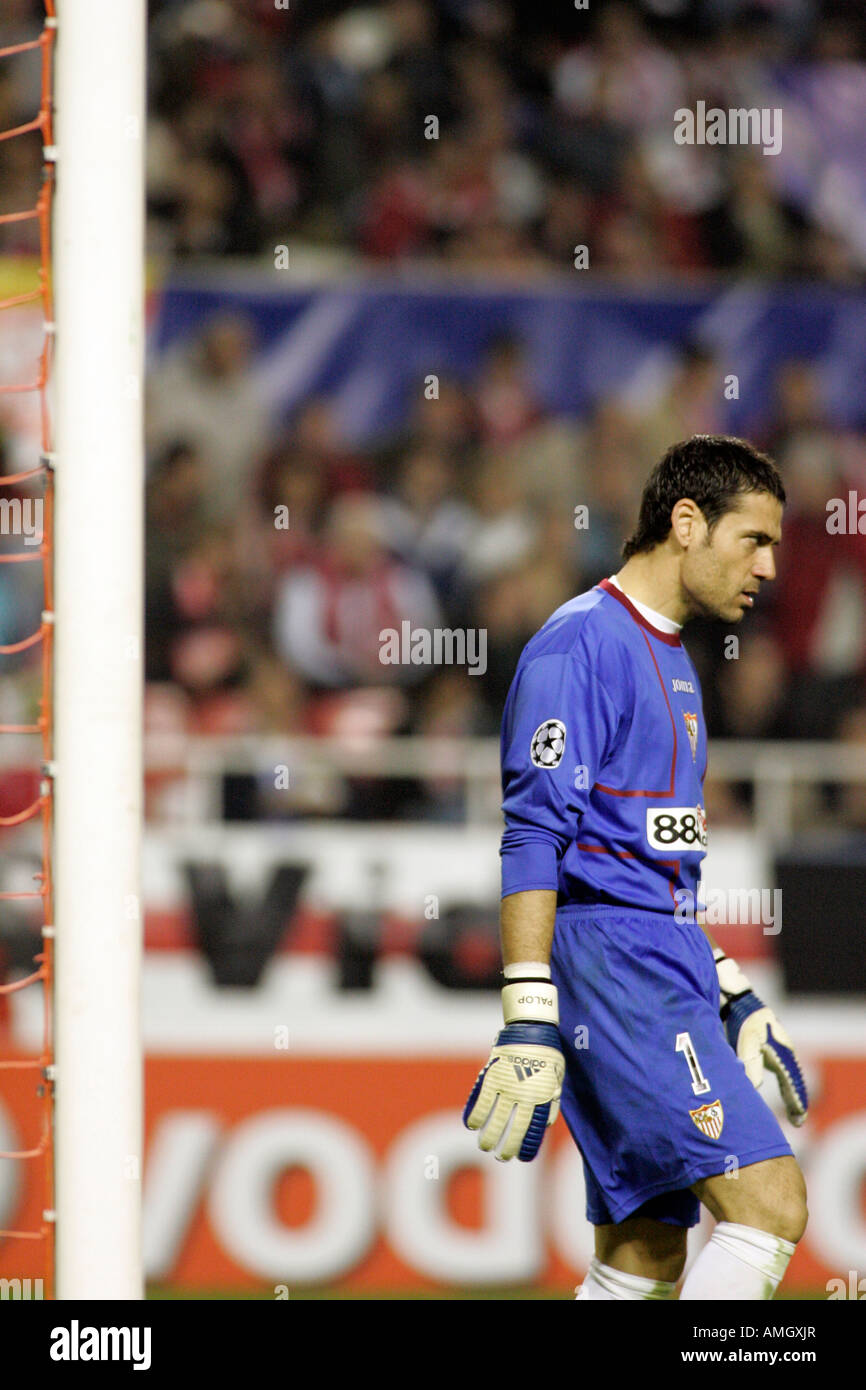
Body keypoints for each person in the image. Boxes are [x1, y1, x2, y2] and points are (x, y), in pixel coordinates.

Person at [464, 435, 809, 1301]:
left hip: (659, 959)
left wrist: (730, 989)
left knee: (644, 1251)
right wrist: (529, 1011)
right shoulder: (579, 645)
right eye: (754, 540)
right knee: (770, 1205)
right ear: (686, 524)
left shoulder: (678, 662)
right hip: (615, 970)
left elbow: (655, 864)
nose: (769, 566)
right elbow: (533, 836)